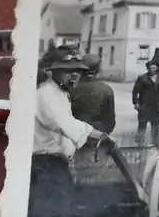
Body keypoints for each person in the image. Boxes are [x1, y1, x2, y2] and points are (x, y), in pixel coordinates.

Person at [28, 49, 113, 217]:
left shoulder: (60, 93)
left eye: (78, 71)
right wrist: (99, 135)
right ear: (55, 73)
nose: (74, 75)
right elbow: (65, 123)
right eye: (68, 71)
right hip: (45, 163)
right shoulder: (46, 94)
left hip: (55, 162)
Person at [70, 53, 116, 134]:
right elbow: (110, 120)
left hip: (74, 133)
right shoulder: (106, 89)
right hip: (97, 134)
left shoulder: (70, 87)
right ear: (98, 69)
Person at [132, 61, 159, 146]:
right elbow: (135, 91)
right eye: (150, 68)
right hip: (144, 105)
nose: (151, 70)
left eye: (153, 68)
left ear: (156, 68)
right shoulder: (142, 78)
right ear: (147, 68)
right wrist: (136, 103)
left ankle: (156, 143)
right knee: (142, 124)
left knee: (156, 125)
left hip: (156, 106)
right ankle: (140, 143)